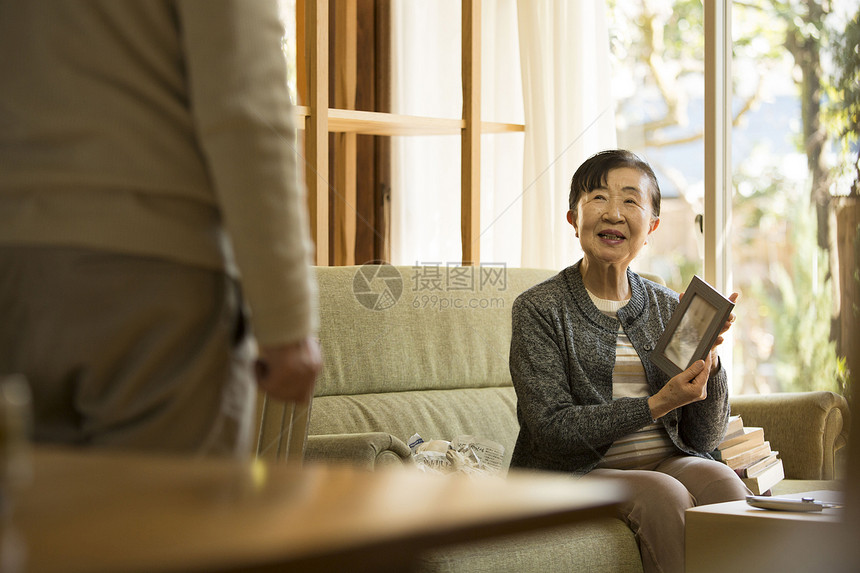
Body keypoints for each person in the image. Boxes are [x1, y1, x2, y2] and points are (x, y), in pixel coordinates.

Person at [0, 1, 321, 457]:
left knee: (36, 522)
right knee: (171, 523)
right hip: (153, 280)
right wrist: (286, 321)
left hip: (13, 265)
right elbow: (246, 105)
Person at [509, 149, 748, 573]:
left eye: (631, 201)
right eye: (598, 198)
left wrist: (710, 361)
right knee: (664, 494)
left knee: (724, 483)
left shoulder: (663, 305)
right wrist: (657, 403)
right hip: (575, 473)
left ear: (652, 225)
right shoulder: (539, 309)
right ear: (573, 219)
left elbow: (704, 438)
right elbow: (551, 431)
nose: (614, 214)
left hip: (665, 459)